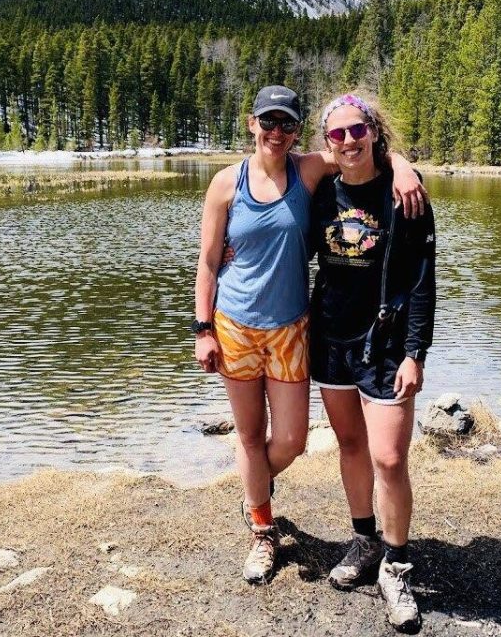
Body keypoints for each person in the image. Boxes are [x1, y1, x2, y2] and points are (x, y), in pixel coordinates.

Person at [193, 85, 426, 586]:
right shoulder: (225, 184)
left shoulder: (308, 170)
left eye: (287, 124)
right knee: (252, 436)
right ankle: (262, 527)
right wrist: (202, 328)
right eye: (268, 122)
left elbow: (364, 148)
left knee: (294, 440)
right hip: (234, 325)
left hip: (295, 327)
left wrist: (405, 166)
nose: (277, 132)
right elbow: (209, 261)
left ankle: (254, 488)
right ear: (252, 123)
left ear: (297, 131)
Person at [309, 92, 435, 633]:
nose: (348, 141)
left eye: (357, 130)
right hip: (331, 339)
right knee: (352, 445)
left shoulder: (405, 195)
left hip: (384, 345)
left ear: (374, 132)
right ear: (327, 144)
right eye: (336, 135)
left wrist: (415, 352)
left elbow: (422, 279)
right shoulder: (320, 193)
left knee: (388, 456)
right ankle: (364, 540)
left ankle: (397, 564)